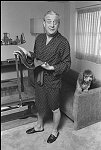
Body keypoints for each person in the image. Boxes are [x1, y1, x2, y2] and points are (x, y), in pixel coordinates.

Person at [14, 10, 71, 143]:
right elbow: (36, 57)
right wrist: (26, 53)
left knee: (54, 107)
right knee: (39, 104)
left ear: (58, 24)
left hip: (53, 81)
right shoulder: (39, 38)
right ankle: (39, 126)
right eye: (49, 21)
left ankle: (55, 131)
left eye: (55, 22)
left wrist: (52, 68)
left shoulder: (63, 42)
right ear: (44, 23)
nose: (52, 25)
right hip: (39, 78)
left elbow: (67, 64)